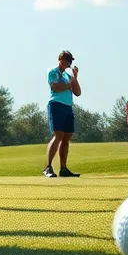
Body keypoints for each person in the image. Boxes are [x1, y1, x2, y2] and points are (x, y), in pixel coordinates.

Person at [45, 50, 82, 178]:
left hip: (68, 107)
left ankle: (63, 168)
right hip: (56, 105)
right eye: (68, 60)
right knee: (58, 135)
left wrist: (75, 79)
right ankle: (48, 167)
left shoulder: (68, 76)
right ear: (61, 59)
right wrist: (68, 84)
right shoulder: (53, 72)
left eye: (70, 61)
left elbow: (77, 92)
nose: (69, 63)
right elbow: (56, 86)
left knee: (67, 137)